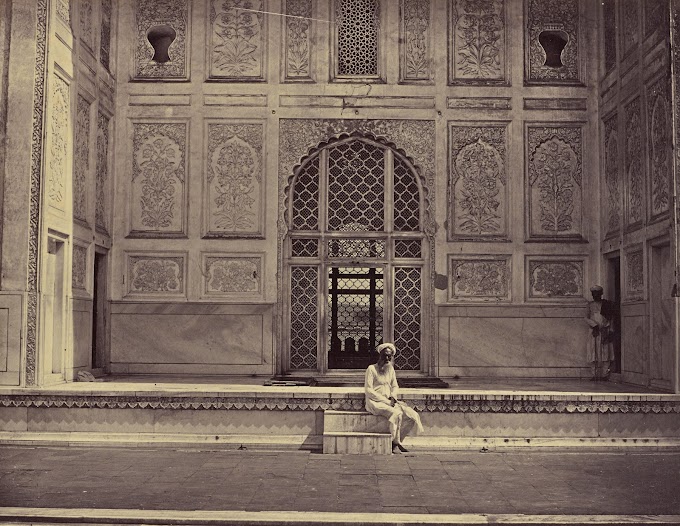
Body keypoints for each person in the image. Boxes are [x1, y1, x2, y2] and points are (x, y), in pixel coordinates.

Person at [364, 342, 424, 454]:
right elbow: (369, 390)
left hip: (389, 401)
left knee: (412, 415)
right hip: (375, 403)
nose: (387, 358)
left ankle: (397, 441)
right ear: (380, 355)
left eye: (389, 356)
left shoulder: (390, 369)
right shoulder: (371, 369)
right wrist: (386, 401)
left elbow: (395, 386)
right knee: (397, 414)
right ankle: (395, 444)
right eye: (385, 355)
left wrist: (393, 396)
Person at [584, 285, 616, 381]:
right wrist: (594, 326)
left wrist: (610, 330)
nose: (595, 296)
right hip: (594, 331)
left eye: (597, 294)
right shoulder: (590, 305)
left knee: (606, 352)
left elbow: (611, 318)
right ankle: (594, 374)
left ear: (601, 294)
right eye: (593, 294)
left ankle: (604, 374)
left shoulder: (607, 304)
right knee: (593, 352)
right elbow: (586, 317)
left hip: (605, 330)